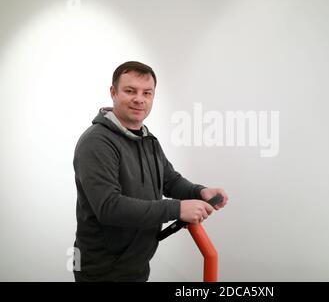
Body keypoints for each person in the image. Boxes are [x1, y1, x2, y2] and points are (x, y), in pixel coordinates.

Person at [72, 61, 228, 282]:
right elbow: (109, 207)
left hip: (136, 265)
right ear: (113, 92)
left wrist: (199, 192)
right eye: (130, 91)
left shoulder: (147, 138)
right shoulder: (97, 143)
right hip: (102, 272)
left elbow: (169, 180)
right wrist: (177, 208)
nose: (139, 99)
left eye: (147, 92)